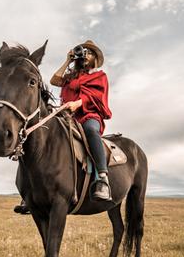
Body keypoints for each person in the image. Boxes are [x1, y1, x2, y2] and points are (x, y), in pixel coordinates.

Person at [14, 40, 112, 214]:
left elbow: (98, 97)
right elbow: (54, 80)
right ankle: (31, 191)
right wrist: (68, 60)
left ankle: (102, 178)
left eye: (90, 52)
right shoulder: (70, 77)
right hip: (66, 115)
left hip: (88, 115)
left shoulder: (99, 76)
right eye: (84, 51)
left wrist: (79, 103)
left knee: (90, 130)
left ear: (95, 58)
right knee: (41, 132)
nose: (85, 54)